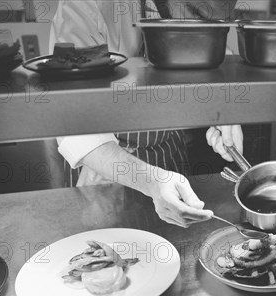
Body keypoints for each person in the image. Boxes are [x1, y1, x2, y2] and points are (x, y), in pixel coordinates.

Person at [50, 0, 243, 227]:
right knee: (114, 254)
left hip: (169, 154)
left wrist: (223, 109)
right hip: (106, 169)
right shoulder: (88, 5)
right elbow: (73, 121)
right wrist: (150, 181)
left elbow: (209, 66)